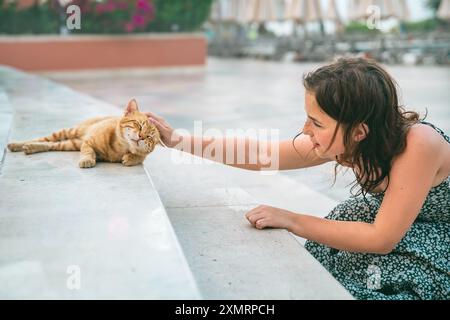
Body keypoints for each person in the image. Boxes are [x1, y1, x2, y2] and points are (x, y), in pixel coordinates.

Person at [145, 58, 450, 300]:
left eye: (316, 122)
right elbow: (263, 154)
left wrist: (291, 219)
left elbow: (382, 239)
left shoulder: (418, 144)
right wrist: (177, 140)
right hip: (408, 220)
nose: (305, 129)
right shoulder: (347, 139)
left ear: (360, 131)